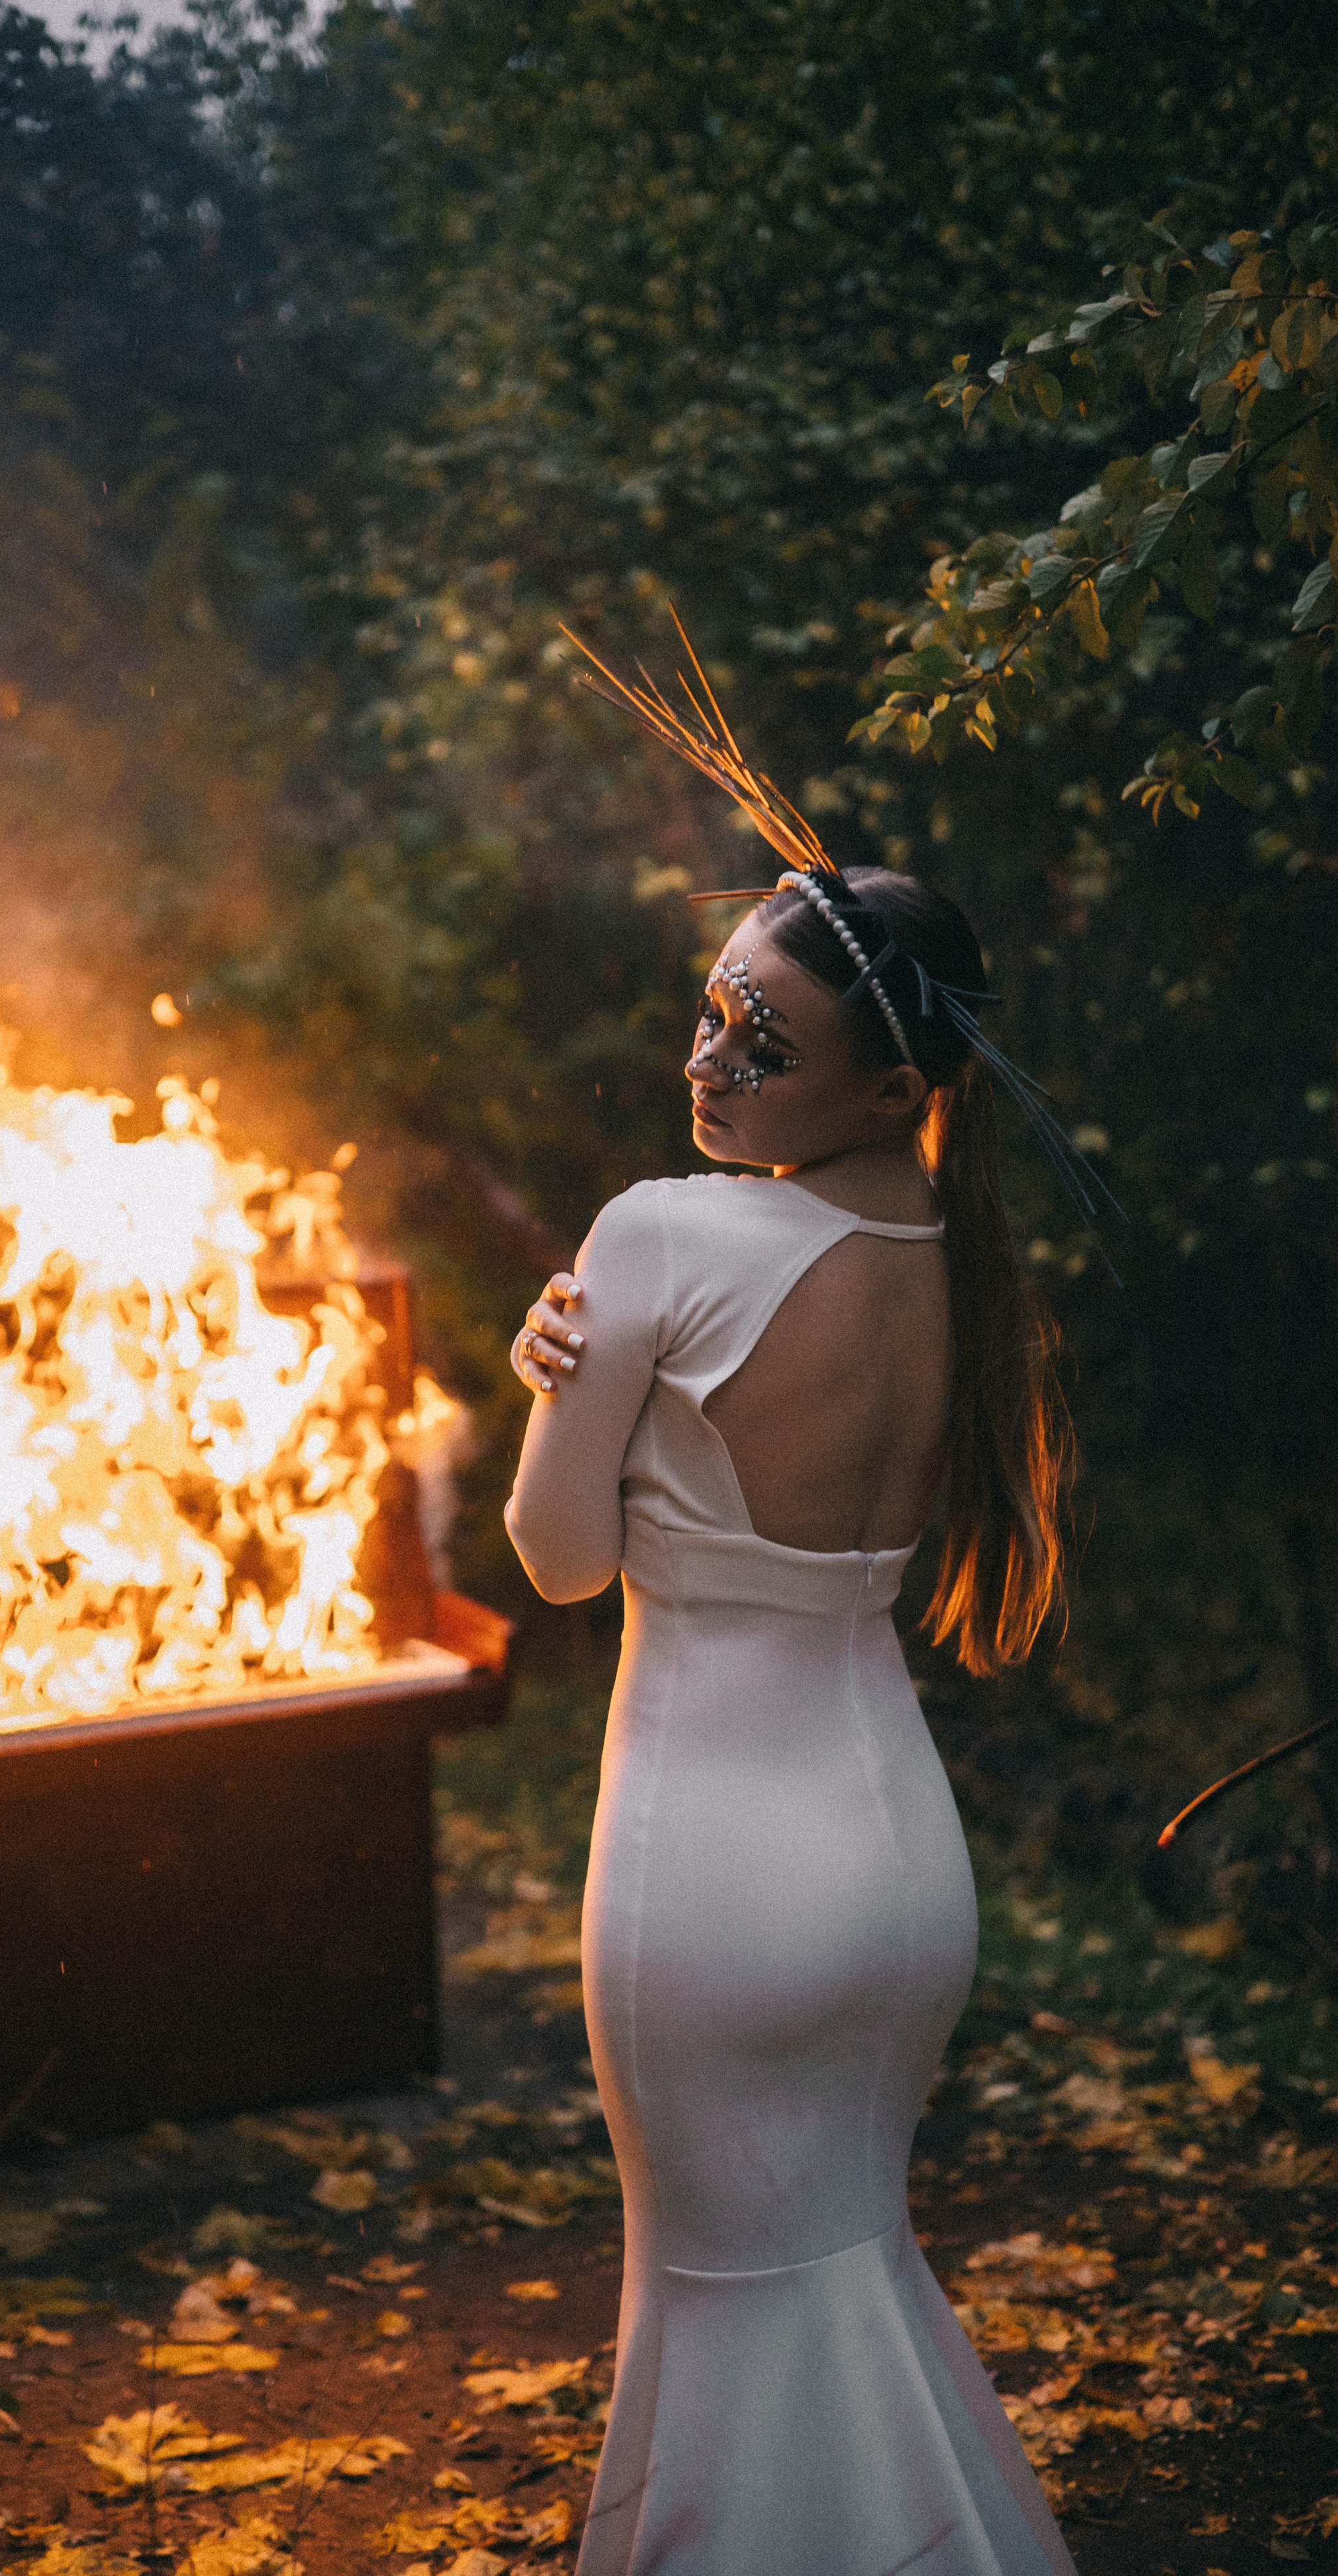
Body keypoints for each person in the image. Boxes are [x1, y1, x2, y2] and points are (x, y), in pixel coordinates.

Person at [505, 859, 1081, 2575]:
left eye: (758, 1045)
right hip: (897, 1862)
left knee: (725, 2292)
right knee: (844, 2271)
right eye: (711, 1009)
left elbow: (553, 1557)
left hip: (709, 1869)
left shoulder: (661, 1234)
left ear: (895, 1091)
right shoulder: (959, 1265)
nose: (705, 1062)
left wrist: (541, 1373)